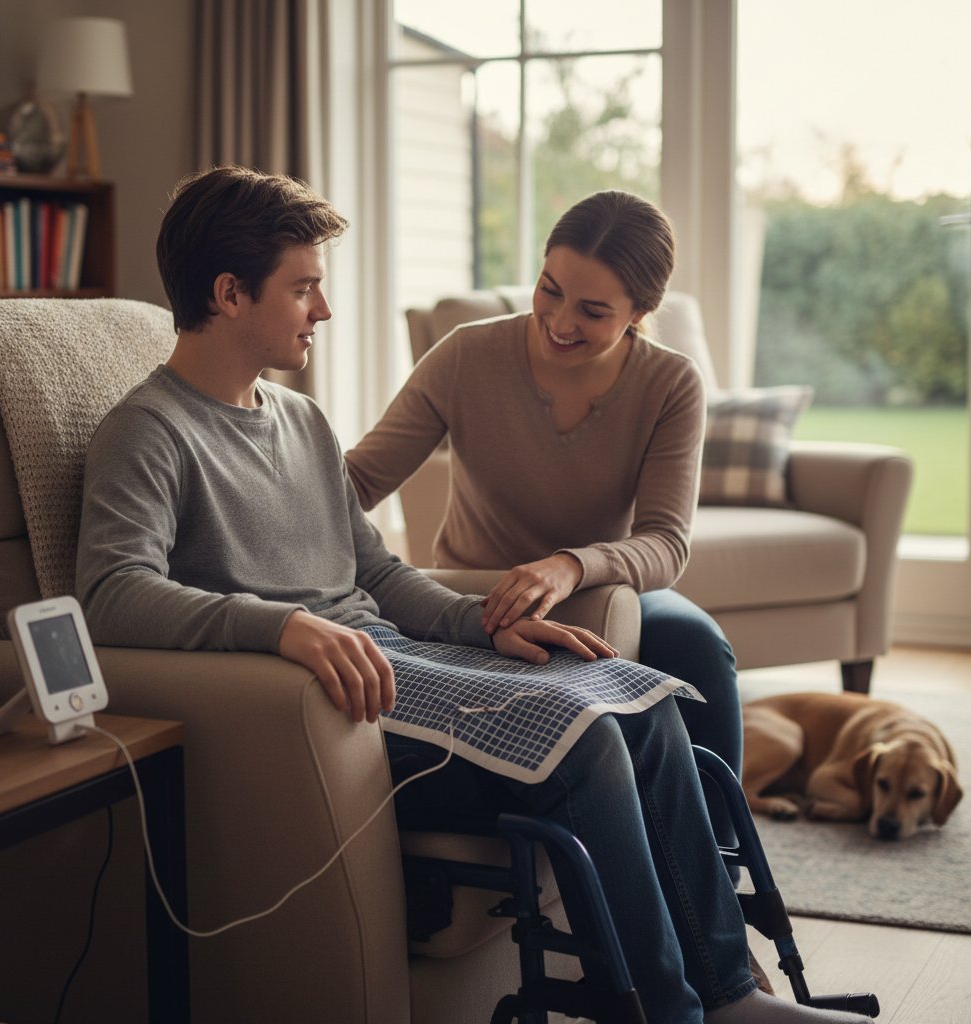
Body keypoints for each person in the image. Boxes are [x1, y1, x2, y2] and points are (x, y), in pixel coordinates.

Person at [75, 165, 870, 1024]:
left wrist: (489, 628)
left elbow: (373, 572)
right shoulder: (146, 433)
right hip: (342, 700)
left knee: (649, 705)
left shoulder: (299, 421)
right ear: (231, 294)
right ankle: (667, 1012)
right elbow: (113, 595)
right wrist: (284, 627)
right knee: (588, 740)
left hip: (407, 656)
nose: (325, 310)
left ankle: (728, 993)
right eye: (305, 289)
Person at [345, 190, 743, 798]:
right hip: (478, 590)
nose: (560, 323)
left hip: (596, 591)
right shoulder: (465, 354)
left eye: (592, 310)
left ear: (641, 309)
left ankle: (717, 857)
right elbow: (361, 479)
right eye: (549, 289)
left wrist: (569, 567)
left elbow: (665, 543)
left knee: (698, 647)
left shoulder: (670, 383)